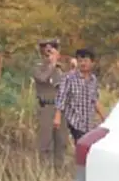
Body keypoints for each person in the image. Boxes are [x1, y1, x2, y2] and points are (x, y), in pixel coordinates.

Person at [54, 49, 104, 144]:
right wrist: (57, 116)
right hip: (73, 121)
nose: (82, 63)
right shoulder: (69, 77)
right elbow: (61, 96)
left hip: (88, 122)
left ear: (92, 63)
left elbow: (95, 100)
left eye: (85, 61)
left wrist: (104, 117)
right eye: (80, 61)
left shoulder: (93, 80)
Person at [32, 38, 67, 168]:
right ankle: (44, 173)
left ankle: (59, 172)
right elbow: (42, 78)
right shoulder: (39, 67)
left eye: (52, 49)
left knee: (61, 141)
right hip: (46, 107)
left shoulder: (61, 68)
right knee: (46, 142)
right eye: (46, 50)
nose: (49, 53)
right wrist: (51, 64)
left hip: (60, 108)